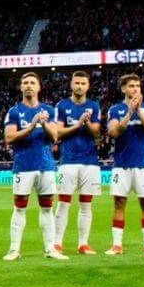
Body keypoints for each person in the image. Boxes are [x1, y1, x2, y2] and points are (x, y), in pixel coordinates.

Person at [3, 72, 65, 261]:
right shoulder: (14, 111)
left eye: (32, 83)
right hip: (23, 166)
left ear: (38, 87)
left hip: (46, 165)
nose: (29, 85)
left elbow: (55, 136)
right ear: (21, 88)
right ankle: (14, 250)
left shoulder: (49, 110)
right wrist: (31, 126)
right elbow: (9, 138)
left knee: (47, 208)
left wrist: (44, 123)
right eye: (25, 83)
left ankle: (50, 249)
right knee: (19, 208)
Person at [106, 72, 144, 256]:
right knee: (119, 204)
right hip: (121, 164)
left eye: (137, 86)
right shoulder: (115, 110)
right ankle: (117, 245)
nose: (135, 89)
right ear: (123, 89)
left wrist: (139, 112)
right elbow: (114, 132)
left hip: (143, 165)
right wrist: (129, 114)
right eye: (131, 86)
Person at [54, 71, 102, 255]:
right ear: (71, 85)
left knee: (86, 204)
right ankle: (57, 243)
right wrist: (78, 124)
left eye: (83, 83)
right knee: (64, 202)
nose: (79, 86)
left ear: (88, 86)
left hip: (90, 161)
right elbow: (58, 132)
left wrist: (87, 123)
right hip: (68, 161)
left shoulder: (93, 106)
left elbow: (96, 133)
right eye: (77, 83)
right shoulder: (62, 105)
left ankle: (83, 244)